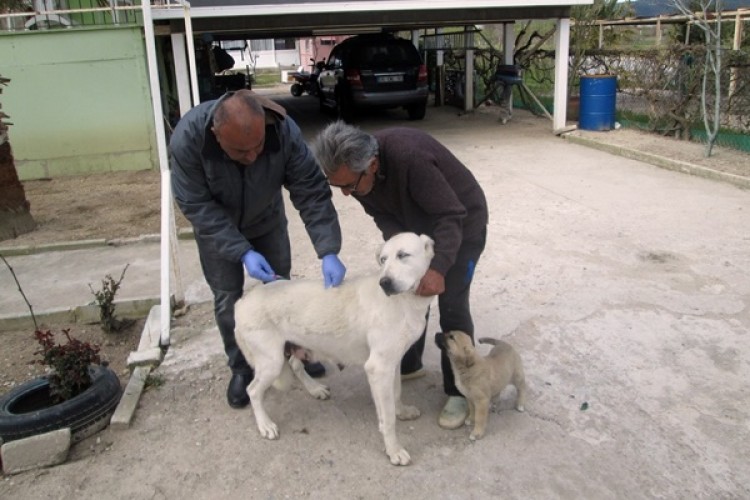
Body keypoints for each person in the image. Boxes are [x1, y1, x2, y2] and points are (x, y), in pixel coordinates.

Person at [170, 90, 347, 409]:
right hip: (217, 229)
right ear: (216, 135)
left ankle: (296, 354)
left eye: (258, 147)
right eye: (240, 151)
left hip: (266, 219)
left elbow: (310, 190)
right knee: (228, 299)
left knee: (281, 292)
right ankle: (243, 368)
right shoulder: (189, 139)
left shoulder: (282, 130)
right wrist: (241, 251)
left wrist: (328, 249)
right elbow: (195, 204)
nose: (252, 157)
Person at [311, 121, 488, 430]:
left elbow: (450, 216)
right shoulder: (359, 175)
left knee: (451, 304)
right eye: (337, 186)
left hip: (461, 225)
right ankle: (411, 361)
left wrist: (439, 267)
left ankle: (459, 390)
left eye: (349, 186)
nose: (346, 195)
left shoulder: (410, 158)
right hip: (418, 229)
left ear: (372, 165)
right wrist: (401, 254)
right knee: (410, 295)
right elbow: (383, 215)